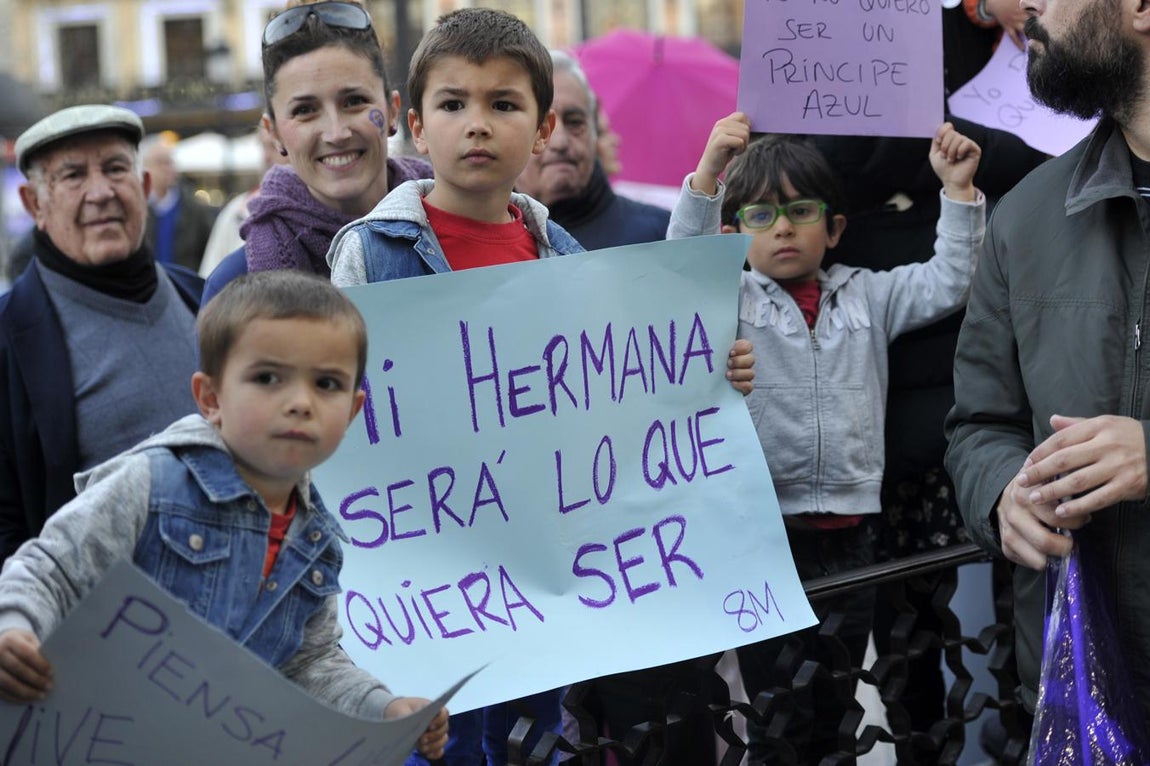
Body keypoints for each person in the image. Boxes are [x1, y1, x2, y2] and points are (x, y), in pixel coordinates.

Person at [328, 9, 755, 765]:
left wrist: (701, 372)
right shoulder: (371, 255)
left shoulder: (559, 253)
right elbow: (343, 418)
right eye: (453, 104)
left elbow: (614, 390)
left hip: (538, 589)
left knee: (535, 745)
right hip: (432, 596)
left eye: (503, 104)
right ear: (415, 127)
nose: (477, 124)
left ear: (542, 126)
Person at [0, 269, 450, 758]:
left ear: (354, 410)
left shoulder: (317, 541)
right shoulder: (152, 484)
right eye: (268, 378)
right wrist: (13, 629)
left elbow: (310, 662)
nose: (300, 403)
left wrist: (384, 709)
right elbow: (50, 569)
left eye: (326, 383)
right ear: (211, 398)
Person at [669, 113, 984, 763]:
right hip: (766, 538)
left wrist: (957, 190)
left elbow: (951, 278)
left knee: (837, 704)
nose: (783, 228)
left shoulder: (867, 295)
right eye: (760, 215)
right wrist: (706, 176)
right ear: (732, 235)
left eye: (801, 210)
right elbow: (681, 270)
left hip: (853, 536)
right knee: (776, 711)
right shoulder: (733, 299)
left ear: (835, 228)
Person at [945, 0, 1150, 734]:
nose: (1028, 5)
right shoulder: (1028, 214)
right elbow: (979, 424)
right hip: (1083, 701)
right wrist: (1002, 492)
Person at [0, 104, 203, 563]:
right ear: (34, 204)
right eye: (73, 175)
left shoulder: (204, 299)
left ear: (144, 187)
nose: (101, 192)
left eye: (115, 168)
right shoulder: (10, 340)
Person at [201, 0, 432, 302]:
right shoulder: (232, 290)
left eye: (354, 101)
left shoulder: (467, 226)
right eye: (305, 110)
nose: (336, 133)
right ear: (274, 133)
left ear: (392, 111)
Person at [515, 50, 669, 251]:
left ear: (595, 132)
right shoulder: (480, 247)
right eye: (542, 126)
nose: (560, 142)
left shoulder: (663, 237)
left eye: (574, 122)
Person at [198, 121, 289, 278]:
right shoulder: (236, 210)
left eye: (274, 147)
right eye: (263, 146)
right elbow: (208, 276)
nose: (266, 157)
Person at [142, 134, 220, 272]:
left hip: (185, 281)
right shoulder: (137, 209)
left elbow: (210, 250)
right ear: (146, 168)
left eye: (170, 162)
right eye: (160, 163)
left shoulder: (195, 209)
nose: (167, 168)